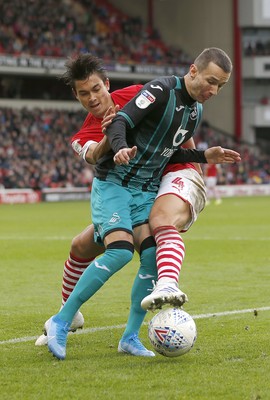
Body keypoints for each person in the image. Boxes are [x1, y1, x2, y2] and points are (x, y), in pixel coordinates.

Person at [45, 48, 240, 360]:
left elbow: (168, 144)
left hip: (145, 191)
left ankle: (130, 337)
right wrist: (116, 142)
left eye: (96, 89)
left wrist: (203, 156)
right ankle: (62, 319)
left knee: (150, 257)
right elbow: (95, 154)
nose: (92, 98)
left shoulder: (141, 95)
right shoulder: (83, 134)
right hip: (112, 189)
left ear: (106, 84)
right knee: (120, 251)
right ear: (77, 97)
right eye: (84, 94)